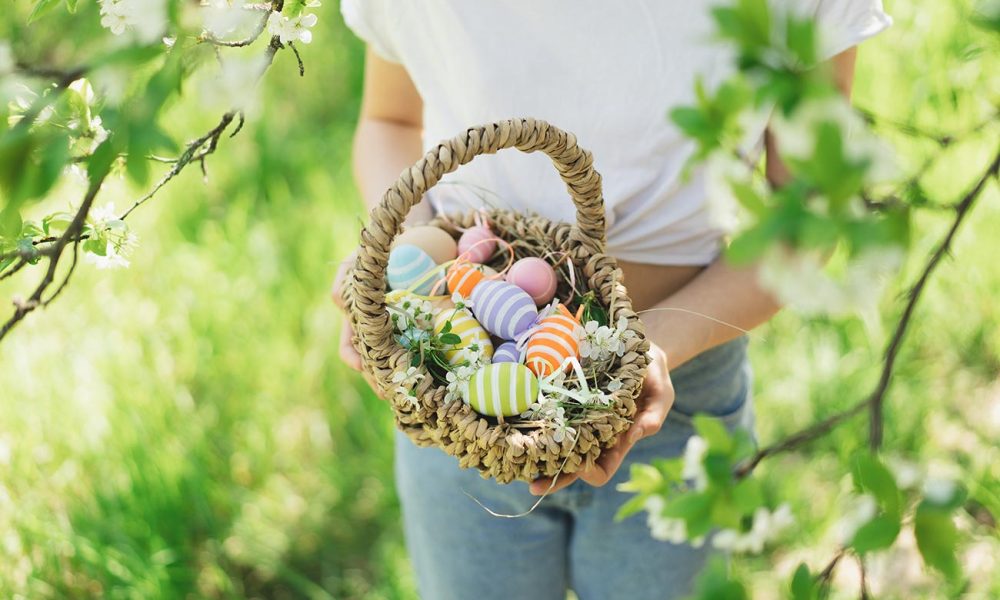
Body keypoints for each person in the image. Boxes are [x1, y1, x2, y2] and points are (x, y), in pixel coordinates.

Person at [330, 2, 891, 598]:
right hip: (454, 398)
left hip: (680, 398)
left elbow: (808, 209)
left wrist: (653, 348)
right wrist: (403, 267)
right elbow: (389, 119)